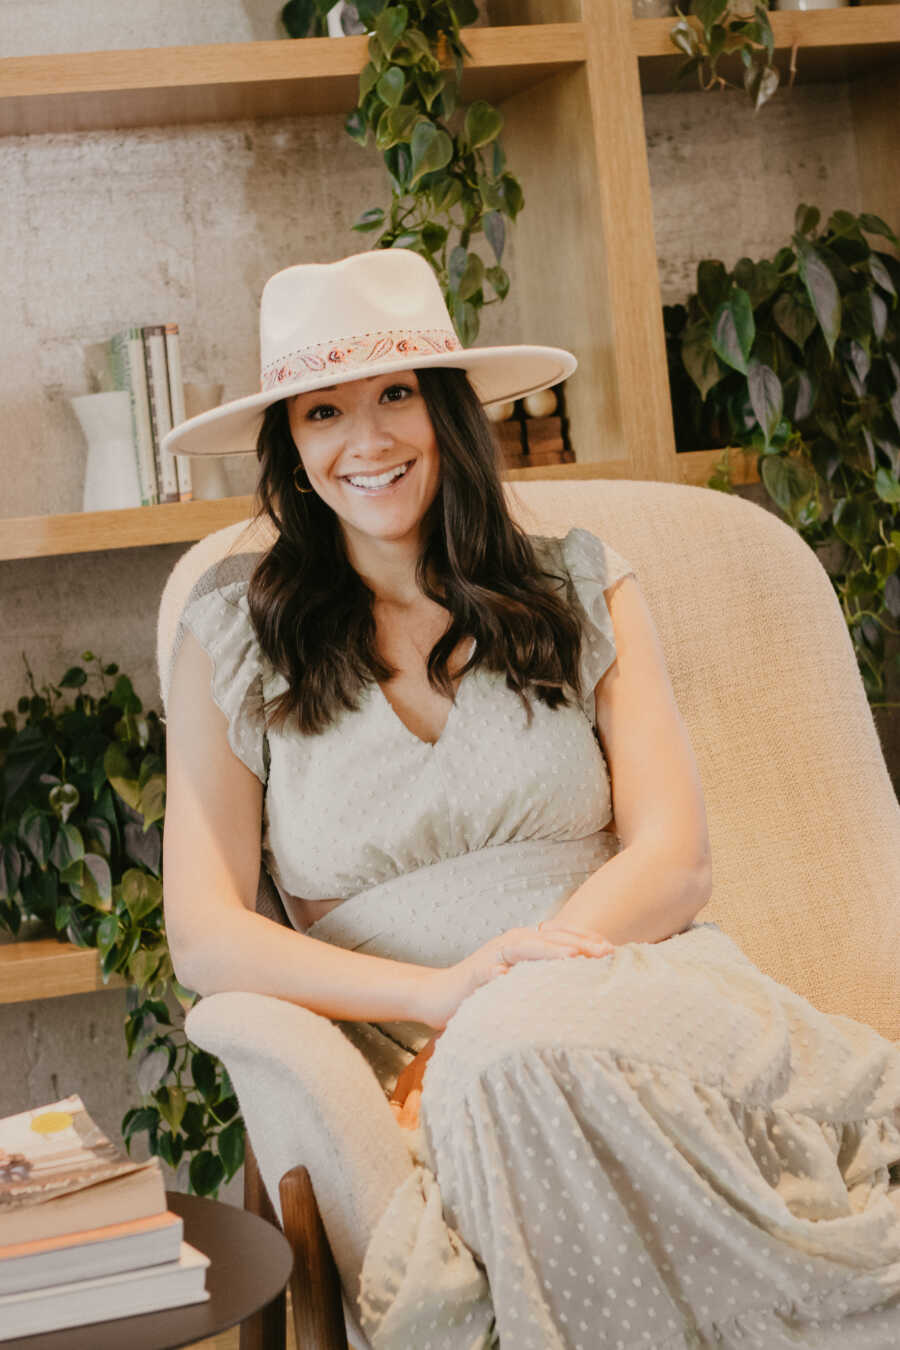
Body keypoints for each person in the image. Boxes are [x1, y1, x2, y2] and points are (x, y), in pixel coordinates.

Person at [162, 250, 900, 1349]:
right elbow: (206, 934)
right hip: (425, 1051)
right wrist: (444, 994)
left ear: (449, 410)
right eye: (324, 412)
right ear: (292, 445)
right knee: (505, 1066)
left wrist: (503, 988)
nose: (366, 442)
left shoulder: (580, 584)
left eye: (398, 395)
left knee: (517, 1049)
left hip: (630, 980)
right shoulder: (233, 638)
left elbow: (674, 857)